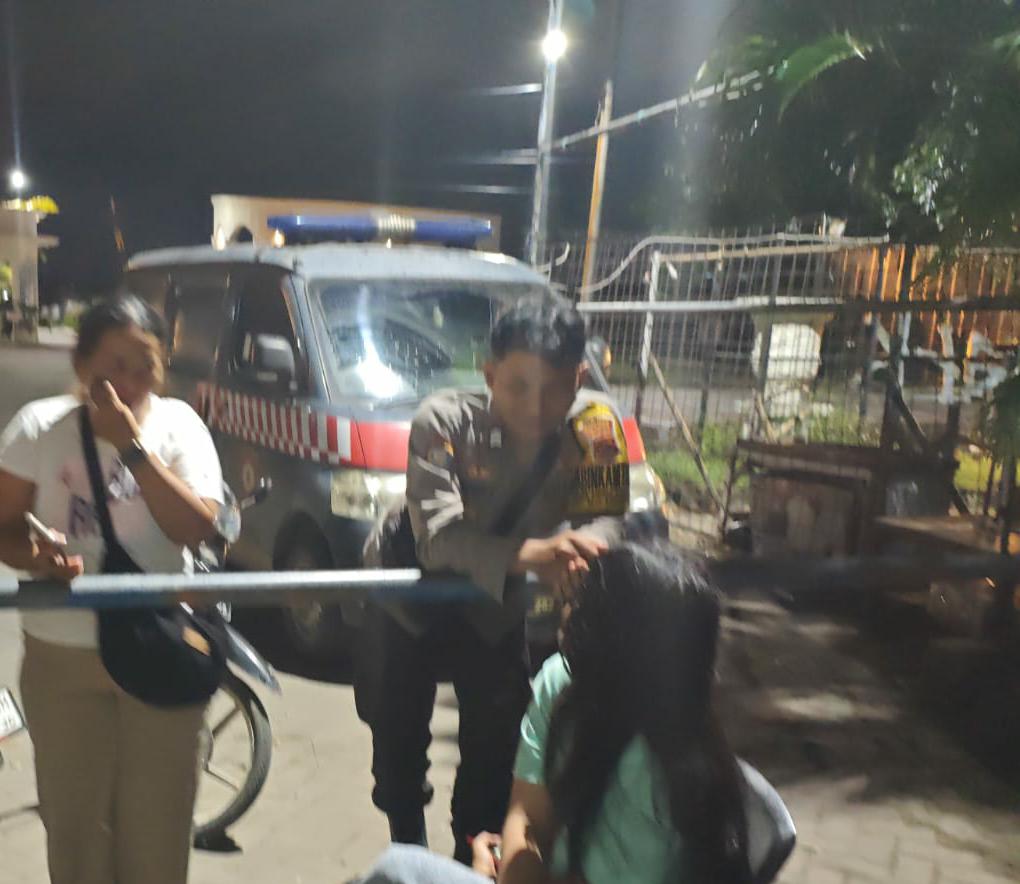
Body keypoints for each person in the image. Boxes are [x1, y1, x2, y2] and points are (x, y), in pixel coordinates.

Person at [360, 299, 628, 863]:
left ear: (579, 378)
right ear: (488, 374)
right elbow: (437, 538)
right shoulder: (442, 421)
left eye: (554, 388)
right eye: (518, 386)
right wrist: (538, 554)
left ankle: (473, 864)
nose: (535, 406)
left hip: (495, 602)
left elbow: (607, 517)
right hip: (408, 593)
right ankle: (408, 856)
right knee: (398, 737)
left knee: (495, 745)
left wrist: (584, 551)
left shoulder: (596, 425)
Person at [355, 543, 753, 884]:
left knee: (397, 869)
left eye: (586, 602)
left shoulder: (665, 779)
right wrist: (515, 865)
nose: (569, 601)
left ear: (617, 646)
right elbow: (527, 816)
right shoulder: (564, 684)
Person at [0, 294, 224, 884]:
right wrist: (38, 558)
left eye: (143, 365)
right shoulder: (39, 427)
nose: (128, 382)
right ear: (81, 364)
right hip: (62, 654)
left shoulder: (179, 425)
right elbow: (4, 529)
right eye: (112, 366)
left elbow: (196, 526)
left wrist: (132, 448)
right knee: (75, 829)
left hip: (160, 647)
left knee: (160, 827)